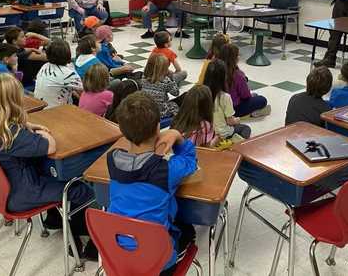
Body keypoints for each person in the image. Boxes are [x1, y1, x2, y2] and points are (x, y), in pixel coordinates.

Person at [0, 73, 96, 259]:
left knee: (49, 171)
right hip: (24, 192)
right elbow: (51, 146)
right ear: (13, 102)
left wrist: (27, 124)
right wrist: (43, 131)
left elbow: (17, 132)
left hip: (4, 189)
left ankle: (55, 218)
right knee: (80, 189)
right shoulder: (15, 135)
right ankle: (77, 242)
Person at [107, 91, 197, 275]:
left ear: (122, 131)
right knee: (188, 231)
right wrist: (176, 135)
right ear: (158, 128)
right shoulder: (167, 169)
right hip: (158, 261)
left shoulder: (112, 159)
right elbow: (190, 160)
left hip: (117, 253)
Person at [203, 60, 251, 144]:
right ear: (223, 77)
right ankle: (229, 142)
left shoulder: (202, 93)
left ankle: (217, 140)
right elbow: (230, 121)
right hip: (223, 132)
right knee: (246, 128)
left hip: (207, 131)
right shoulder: (225, 97)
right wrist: (237, 120)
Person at [218, 43, 269, 117]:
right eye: (238, 55)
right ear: (234, 58)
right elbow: (245, 96)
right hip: (234, 109)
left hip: (218, 107)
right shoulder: (237, 75)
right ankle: (253, 112)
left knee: (254, 95)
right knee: (262, 100)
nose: (239, 57)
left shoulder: (215, 69)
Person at [34, 39, 82, 108]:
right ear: (68, 53)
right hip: (55, 112)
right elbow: (84, 93)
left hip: (41, 108)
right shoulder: (68, 74)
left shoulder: (45, 66)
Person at [141, 53, 180, 120]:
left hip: (146, 108)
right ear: (164, 69)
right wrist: (171, 78)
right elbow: (176, 93)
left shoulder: (144, 77)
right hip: (160, 111)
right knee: (174, 105)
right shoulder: (165, 80)